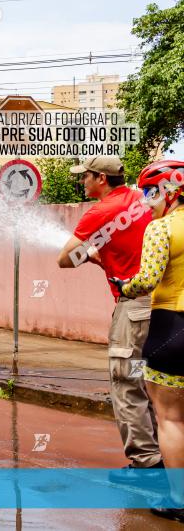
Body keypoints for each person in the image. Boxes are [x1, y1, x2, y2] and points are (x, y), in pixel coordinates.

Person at [57, 155, 162, 481]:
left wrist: (88, 254)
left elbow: (65, 259)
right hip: (161, 305)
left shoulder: (101, 211)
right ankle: (164, 453)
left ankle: (146, 464)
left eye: (85, 176)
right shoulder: (138, 200)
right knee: (153, 384)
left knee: (127, 383)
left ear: (101, 179)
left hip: (132, 310)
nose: (82, 181)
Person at [113, 160, 184, 523]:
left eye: (150, 193)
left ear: (169, 193)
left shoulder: (162, 228)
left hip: (173, 328)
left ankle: (178, 500)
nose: (147, 201)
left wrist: (127, 286)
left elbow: (147, 279)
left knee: (171, 418)